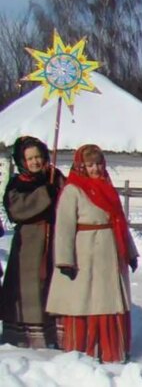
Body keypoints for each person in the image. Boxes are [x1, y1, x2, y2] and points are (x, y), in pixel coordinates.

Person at [46, 144, 139, 363]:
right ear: (81, 166)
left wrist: (131, 253)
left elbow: (119, 221)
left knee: (109, 302)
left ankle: (112, 351)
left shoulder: (107, 186)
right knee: (88, 302)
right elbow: (64, 227)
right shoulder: (73, 189)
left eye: (98, 164)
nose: (95, 169)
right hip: (86, 253)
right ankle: (87, 350)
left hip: (111, 252)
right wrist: (65, 260)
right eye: (90, 165)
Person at [1, 136, 65, 348]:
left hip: (54, 240)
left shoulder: (55, 177)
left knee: (52, 285)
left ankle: (54, 333)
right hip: (28, 244)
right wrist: (44, 193)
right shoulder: (17, 184)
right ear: (23, 161)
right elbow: (17, 210)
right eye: (30, 159)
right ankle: (24, 336)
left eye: (38, 157)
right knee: (27, 288)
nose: (35, 162)